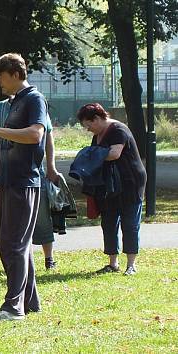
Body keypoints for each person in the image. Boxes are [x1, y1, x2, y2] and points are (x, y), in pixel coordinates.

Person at [0, 53, 47, 322]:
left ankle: (12, 307)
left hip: (25, 182)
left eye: (0, 76)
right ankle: (29, 301)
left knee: (13, 244)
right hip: (9, 182)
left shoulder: (34, 99)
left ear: (15, 74)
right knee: (16, 244)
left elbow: (36, 134)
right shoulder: (14, 102)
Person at [0, 98, 60, 270]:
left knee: (42, 216)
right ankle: (21, 263)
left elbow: (47, 136)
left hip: (33, 173)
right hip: (9, 174)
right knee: (15, 224)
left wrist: (51, 167)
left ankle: (48, 258)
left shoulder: (34, 103)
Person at [76, 103, 146, 276]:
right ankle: (113, 264)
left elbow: (115, 154)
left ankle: (131, 265)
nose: (88, 129)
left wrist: (91, 156)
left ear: (98, 118)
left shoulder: (118, 130)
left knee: (130, 223)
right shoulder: (98, 135)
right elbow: (98, 154)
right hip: (108, 184)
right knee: (108, 222)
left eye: (88, 125)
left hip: (130, 183)